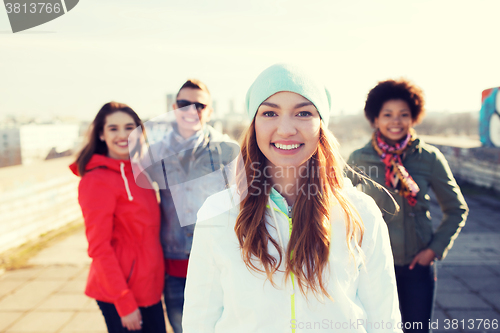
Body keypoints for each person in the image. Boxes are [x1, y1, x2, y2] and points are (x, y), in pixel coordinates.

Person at [182, 64, 402, 333]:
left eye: (303, 113)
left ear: (321, 124)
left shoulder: (360, 212)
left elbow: (385, 321)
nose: (286, 129)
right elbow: (199, 319)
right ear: (253, 124)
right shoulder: (218, 212)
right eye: (270, 113)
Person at [347, 79, 469, 333]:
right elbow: (340, 205)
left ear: (413, 117)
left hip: (417, 267)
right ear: (375, 119)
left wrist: (433, 251)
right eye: (387, 114)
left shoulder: (429, 158)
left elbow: (456, 209)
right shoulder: (359, 158)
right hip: (373, 266)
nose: (396, 121)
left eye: (403, 114)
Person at [142, 79, 239, 333]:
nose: (191, 110)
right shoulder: (155, 153)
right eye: (184, 104)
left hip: (219, 261)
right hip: (176, 265)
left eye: (199, 105)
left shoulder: (228, 150)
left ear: (210, 111)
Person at [70, 102, 166, 333]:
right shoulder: (96, 181)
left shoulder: (139, 171)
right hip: (121, 293)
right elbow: (98, 247)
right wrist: (124, 302)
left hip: (150, 289)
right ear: (101, 134)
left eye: (129, 127)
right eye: (113, 128)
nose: (123, 135)